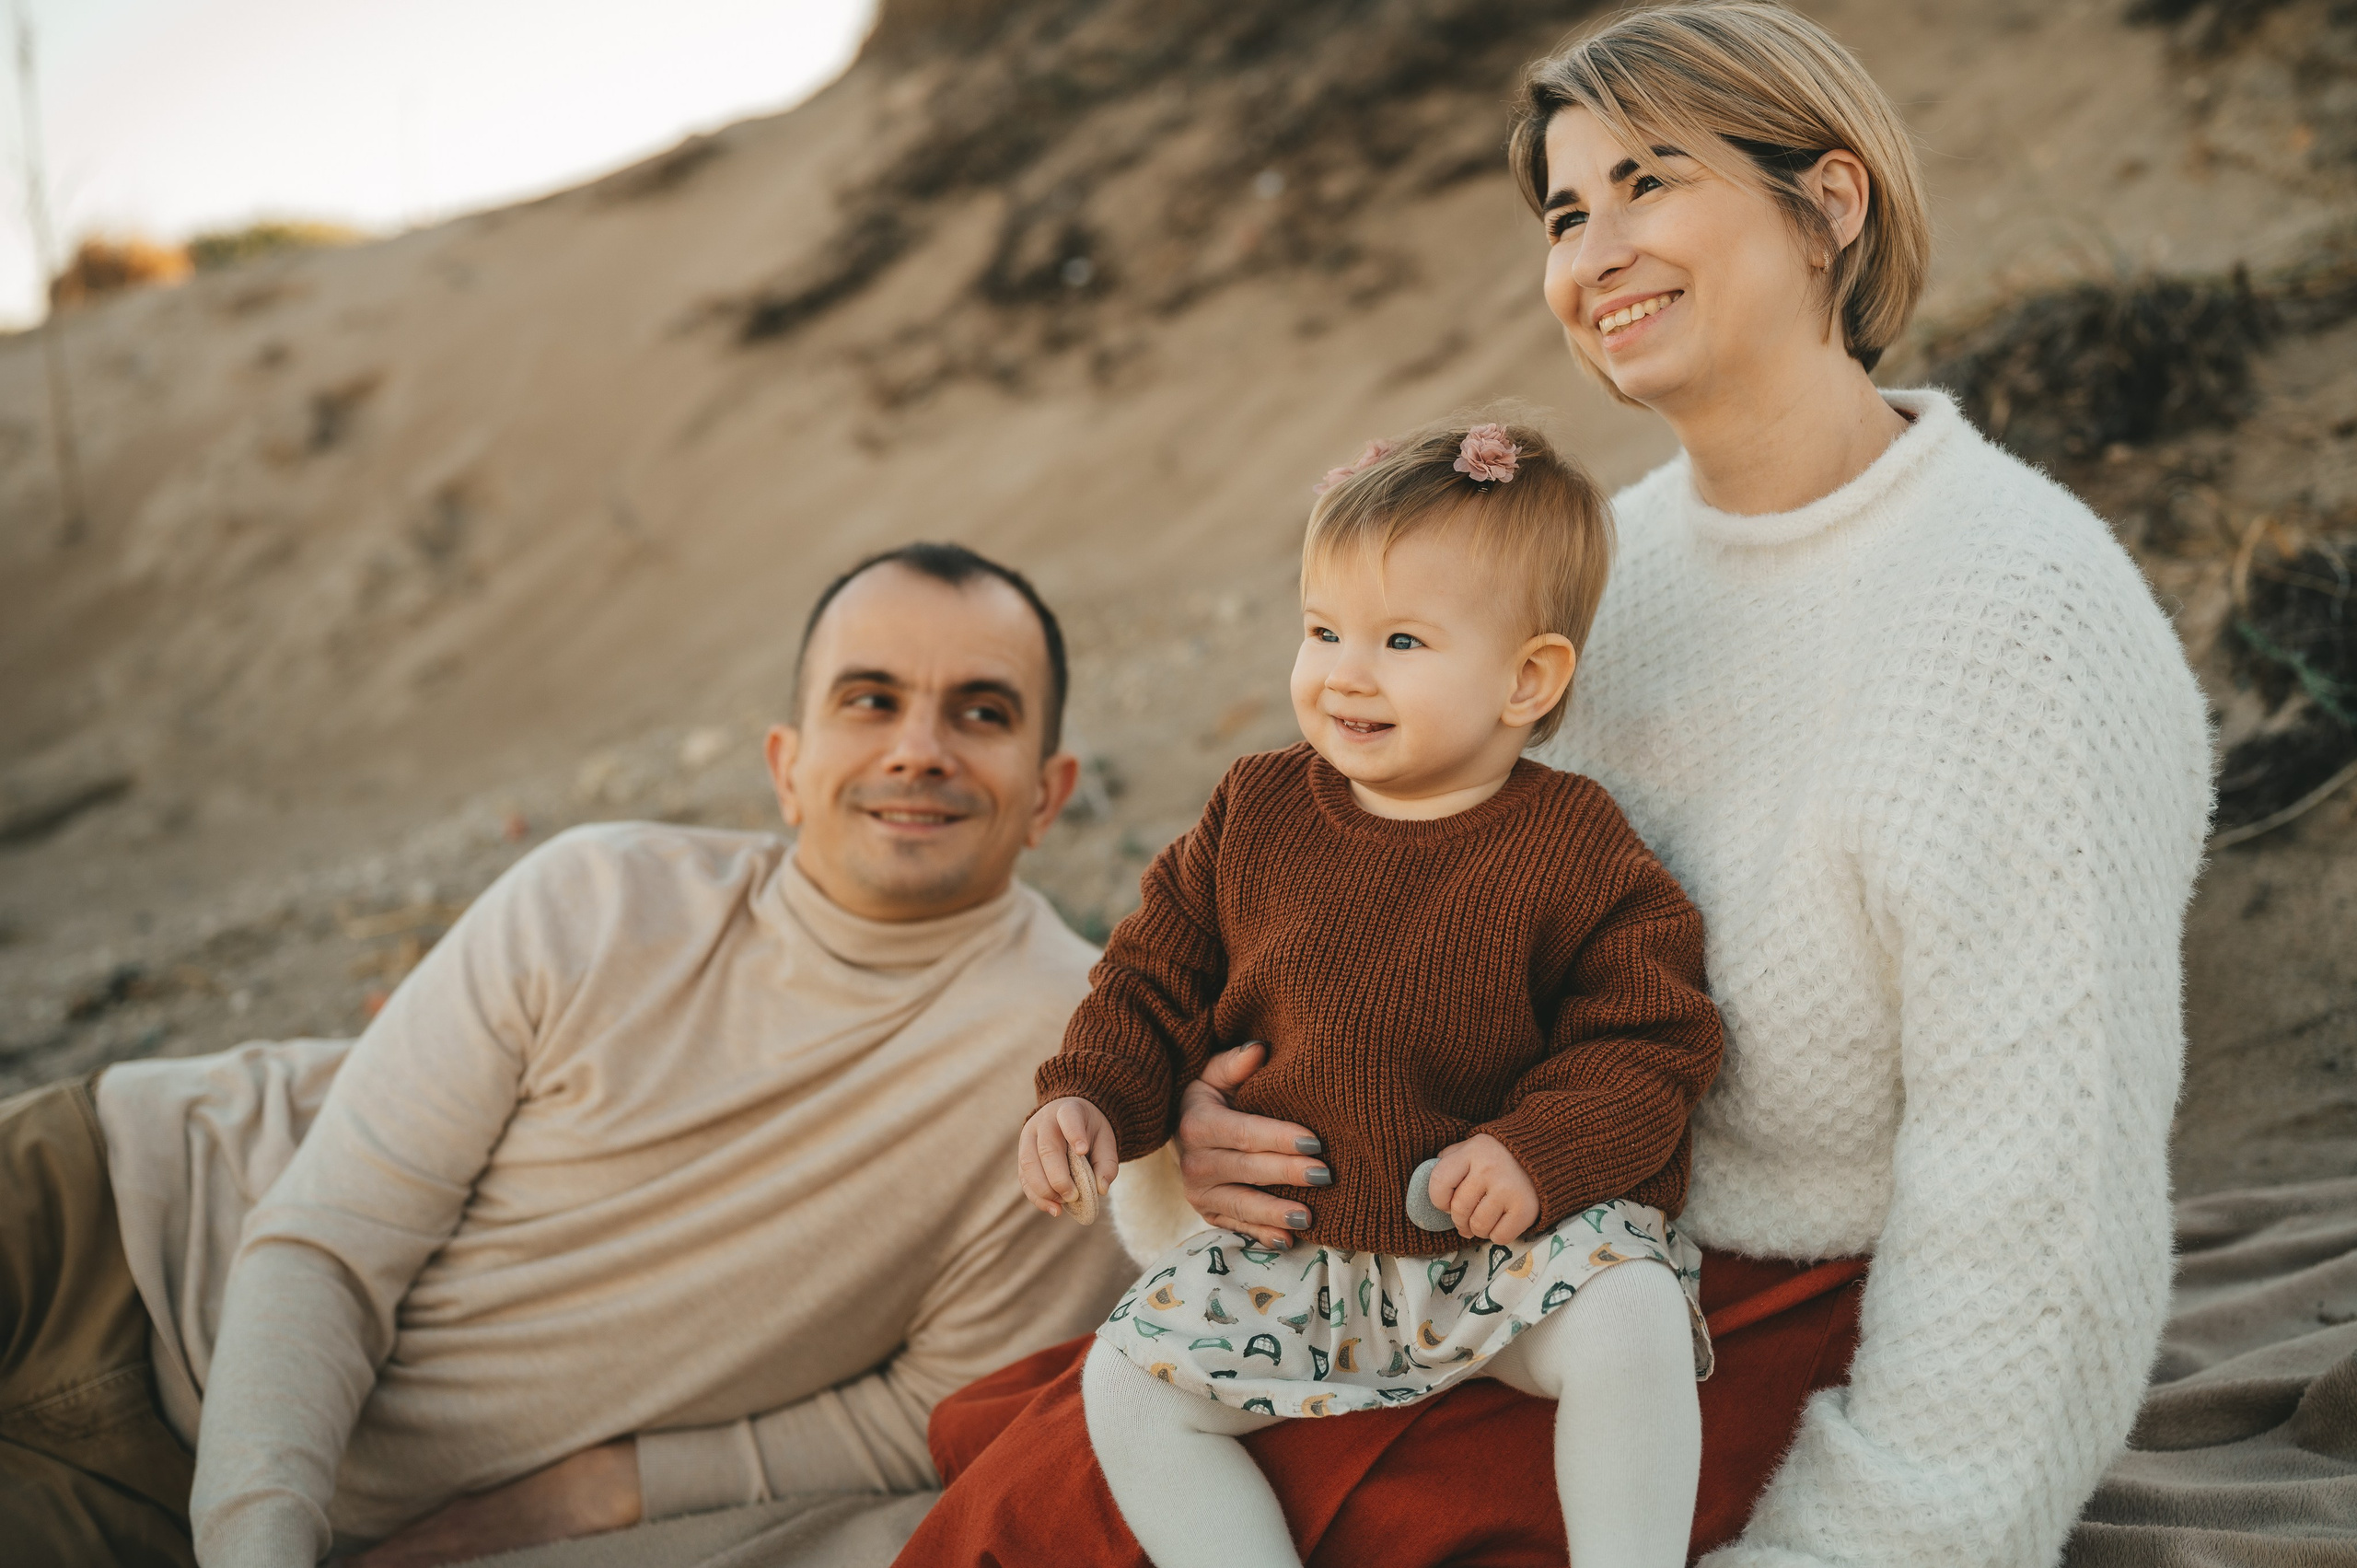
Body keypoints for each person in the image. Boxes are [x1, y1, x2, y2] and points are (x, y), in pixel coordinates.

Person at [899, 6, 2214, 1565]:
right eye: (1565, 210)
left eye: (1649, 182)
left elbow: (2044, 1224)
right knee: (1040, 1470)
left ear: (1830, 208)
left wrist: (1852, 1541)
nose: (1596, 248)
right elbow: (1358, 913)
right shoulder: (1586, 581)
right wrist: (1203, 1132)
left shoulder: (2024, 615)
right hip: (1453, 1251)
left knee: (1046, 1531)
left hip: (1763, 1320)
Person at [0, 541, 1137, 1567]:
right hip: (114, 1209)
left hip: (157, 1497)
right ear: (787, 765)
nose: (919, 749)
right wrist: (258, 1537)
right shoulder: (599, 895)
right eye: (870, 699)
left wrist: (592, 1492)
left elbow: (933, 1409)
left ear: (1049, 792)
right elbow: (329, 1241)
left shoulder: (1078, 1067)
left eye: (981, 712)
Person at [1019, 418, 1724, 1568]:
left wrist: (1539, 1148)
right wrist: (1090, 1095)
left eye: (1400, 638)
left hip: (1505, 1243)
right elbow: (1150, 979)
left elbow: (1650, 1037)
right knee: (1126, 1383)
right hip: (1296, 1254)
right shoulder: (1256, 809)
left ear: (1526, 678)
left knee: (1632, 1312)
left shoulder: (1572, 841)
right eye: (1321, 628)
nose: (1344, 670)